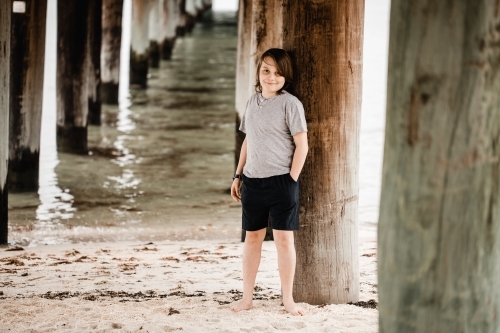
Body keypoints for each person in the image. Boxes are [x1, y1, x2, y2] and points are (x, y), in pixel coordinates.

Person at [229, 48, 308, 316]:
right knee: (252, 239)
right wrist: (238, 175)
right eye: (266, 71)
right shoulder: (252, 102)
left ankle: (288, 299)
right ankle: (247, 298)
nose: (271, 77)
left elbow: (302, 145)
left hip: (282, 183)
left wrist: (291, 179)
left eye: (277, 72)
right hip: (252, 182)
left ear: (286, 76)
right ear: (259, 72)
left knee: (285, 242)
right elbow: (248, 141)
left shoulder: (290, 104)